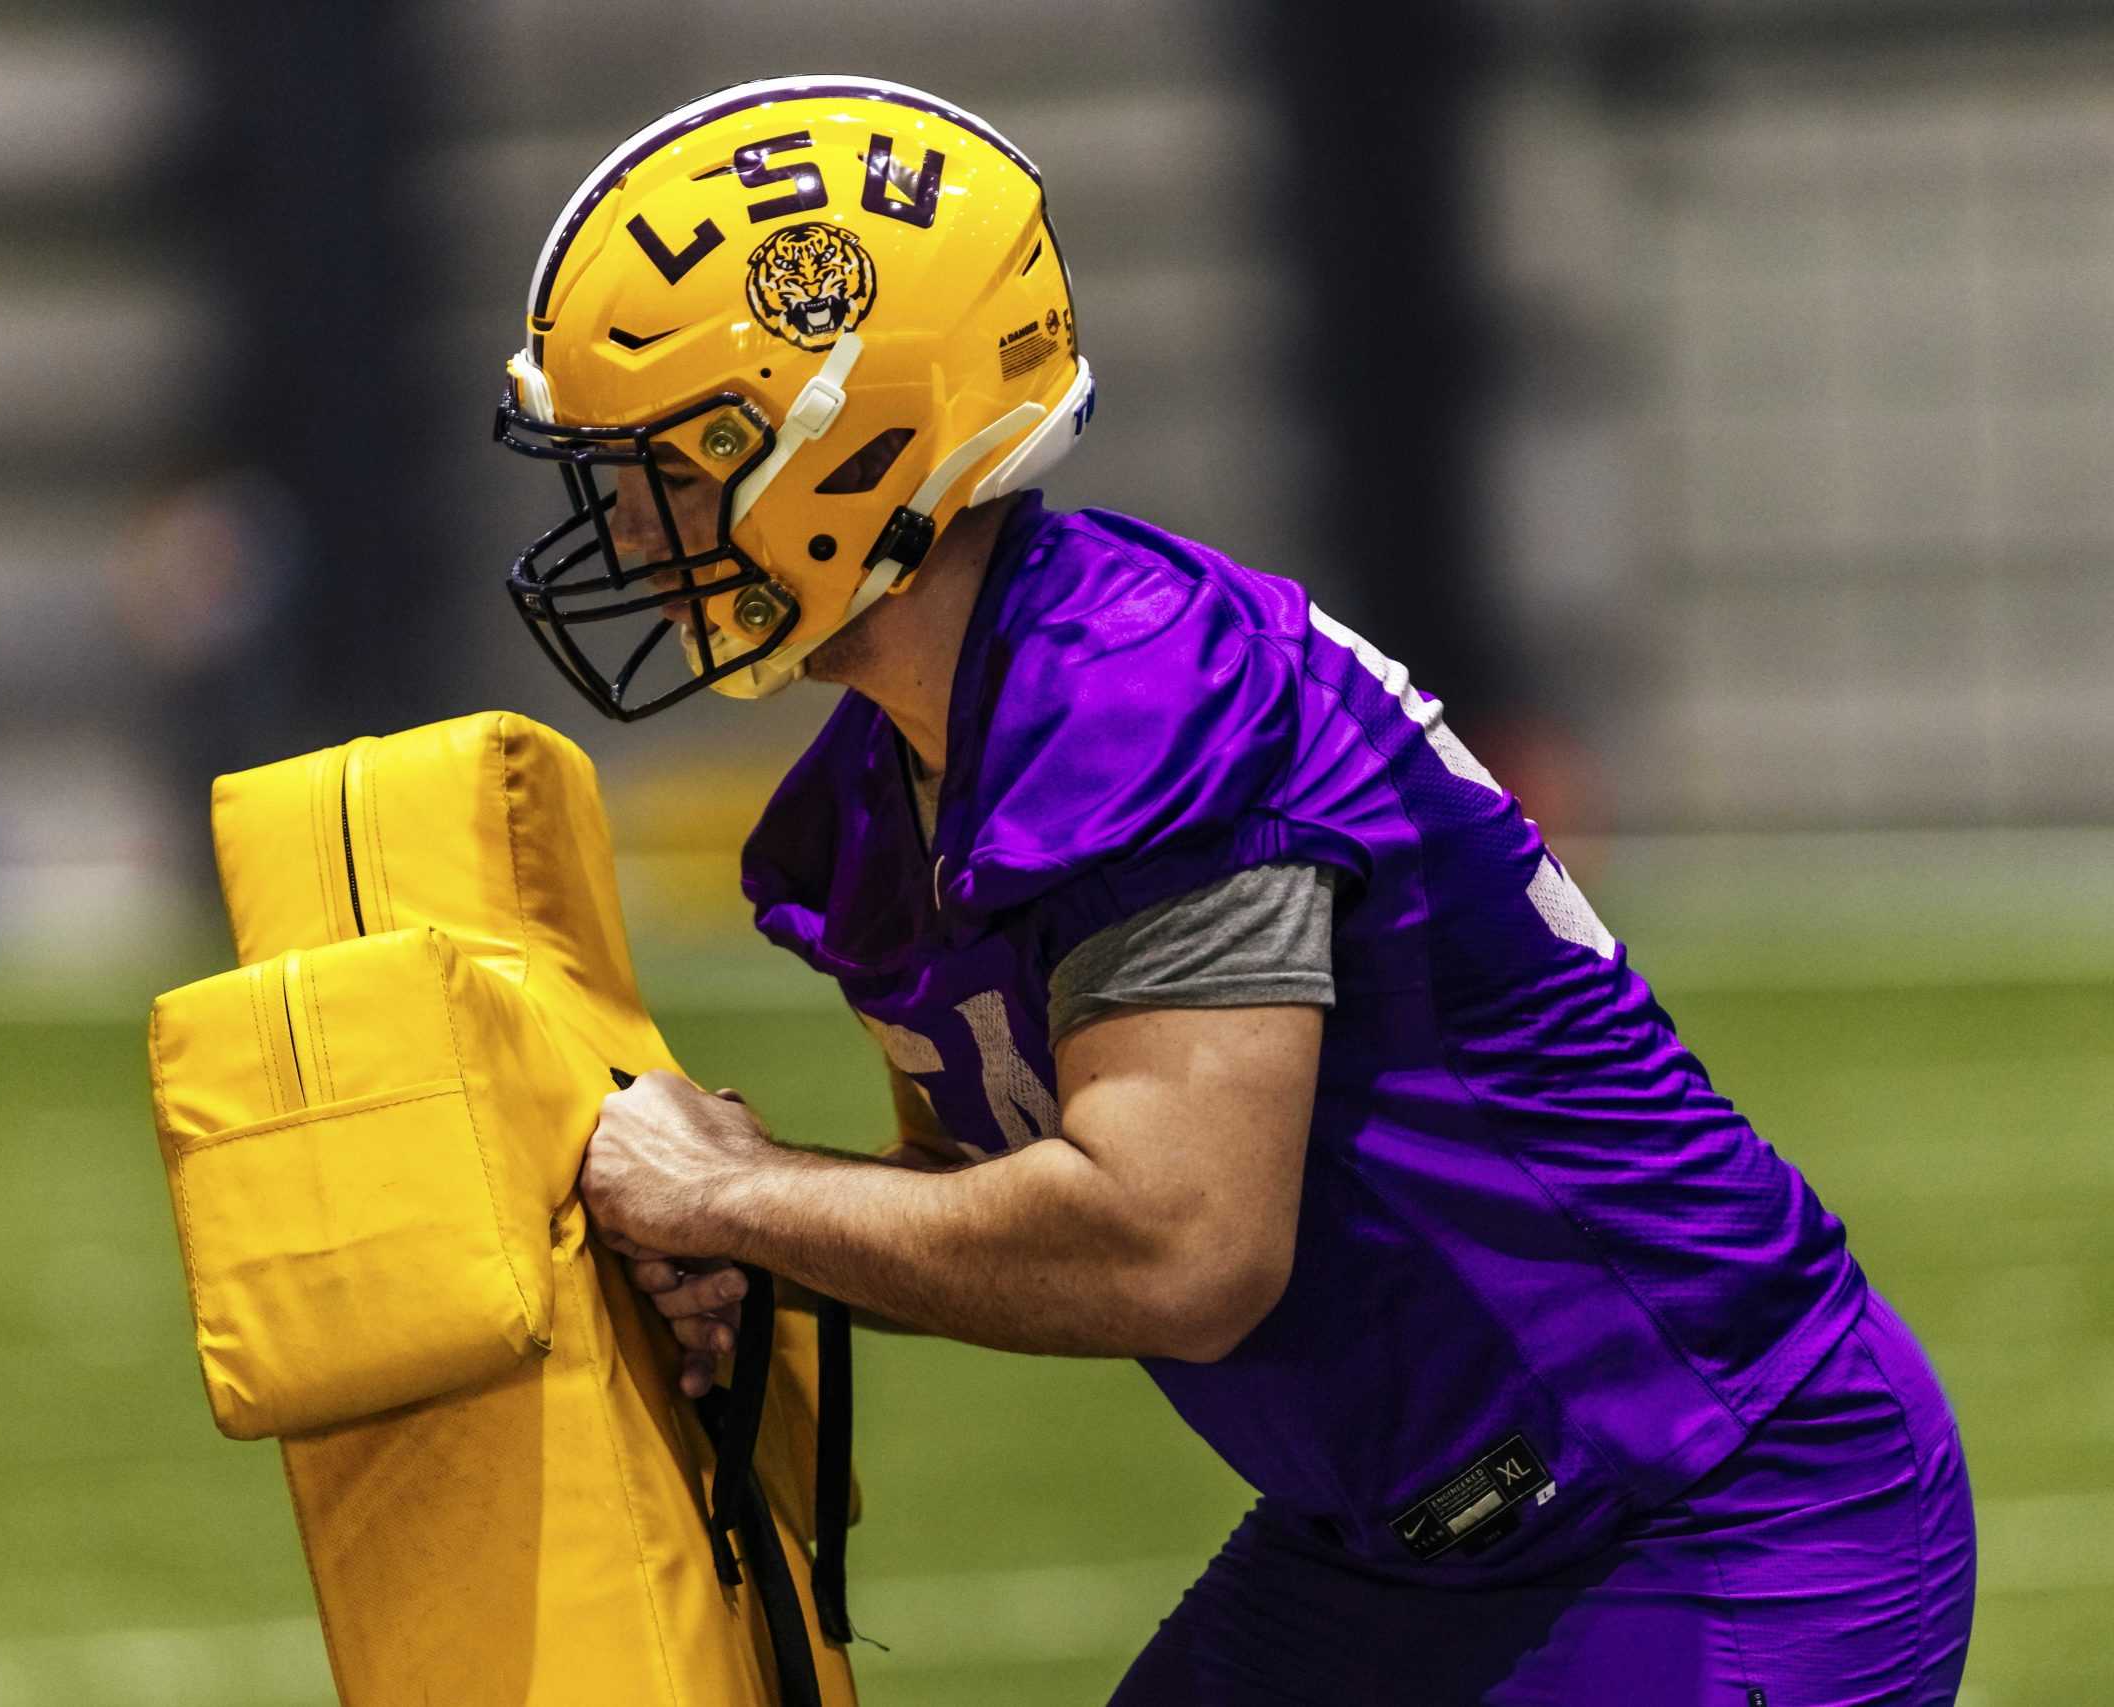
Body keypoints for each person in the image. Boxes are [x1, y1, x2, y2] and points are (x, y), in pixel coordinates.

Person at [495, 77, 1975, 1703]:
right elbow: (991, 1215)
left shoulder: (1140, 694)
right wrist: (777, 1235)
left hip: (1704, 1510)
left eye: (677, 467)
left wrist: (737, 1197)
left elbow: (1178, 1249)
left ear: (858, 437)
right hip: (1399, 1538)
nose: (630, 532)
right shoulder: (880, 787)